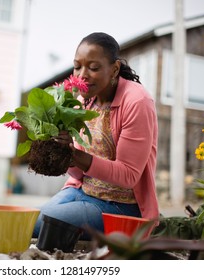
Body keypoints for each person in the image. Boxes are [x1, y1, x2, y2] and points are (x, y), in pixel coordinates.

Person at [32, 32, 159, 240]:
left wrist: (76, 157)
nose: (82, 75)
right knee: (30, 219)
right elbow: (78, 173)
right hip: (82, 192)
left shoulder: (137, 101)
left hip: (121, 208)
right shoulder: (84, 101)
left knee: (43, 223)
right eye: (77, 66)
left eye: (93, 67)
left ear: (115, 69)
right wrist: (65, 151)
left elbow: (129, 176)